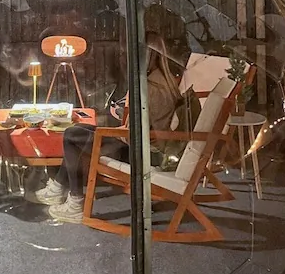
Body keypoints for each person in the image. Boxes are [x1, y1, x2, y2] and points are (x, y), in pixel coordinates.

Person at [27, 32, 186, 223]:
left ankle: (73, 201)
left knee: (72, 137)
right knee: (74, 132)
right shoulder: (164, 80)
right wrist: (125, 110)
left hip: (140, 151)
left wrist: (121, 113)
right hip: (141, 143)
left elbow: (132, 130)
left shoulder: (150, 88)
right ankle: (59, 188)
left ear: (149, 56)